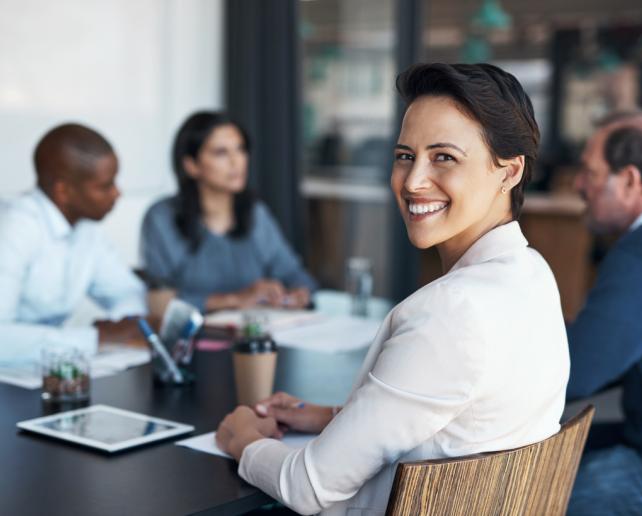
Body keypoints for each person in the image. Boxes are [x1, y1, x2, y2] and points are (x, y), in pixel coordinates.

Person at [215, 63, 570, 515]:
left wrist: (242, 440)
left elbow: (309, 487)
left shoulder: (450, 311)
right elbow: (460, 424)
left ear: (509, 172)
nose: (413, 181)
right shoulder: (532, 274)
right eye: (405, 155)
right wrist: (333, 418)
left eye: (444, 157)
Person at [565, 111, 642, 514]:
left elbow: (576, 371)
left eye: (589, 172)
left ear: (630, 180)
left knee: (522, 493)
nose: (579, 185)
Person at [0, 123, 148, 364]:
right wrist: (96, 337)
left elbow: (126, 291)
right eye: (105, 186)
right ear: (63, 191)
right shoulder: (14, 229)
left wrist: (124, 322)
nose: (117, 194)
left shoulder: (86, 228)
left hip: (48, 373)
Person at [140, 111, 316, 313]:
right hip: (194, 339)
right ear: (191, 165)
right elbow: (158, 304)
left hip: (257, 333)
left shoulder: (256, 213)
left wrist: (298, 293)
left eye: (241, 149)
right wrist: (234, 299)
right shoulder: (162, 218)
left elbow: (294, 274)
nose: (237, 161)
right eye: (221, 153)